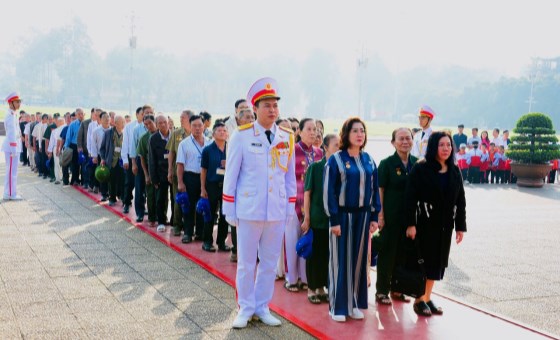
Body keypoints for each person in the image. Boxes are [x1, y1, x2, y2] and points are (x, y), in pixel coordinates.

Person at [223, 77, 296, 329]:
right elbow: (231, 175)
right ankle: (245, 307)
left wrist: (289, 207)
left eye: (275, 105)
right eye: (267, 105)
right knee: (245, 263)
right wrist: (229, 208)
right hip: (249, 209)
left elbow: (288, 178)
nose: (272, 110)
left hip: (275, 210)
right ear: (255, 108)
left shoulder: (286, 137)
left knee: (268, 262)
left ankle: (262, 306)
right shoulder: (242, 136)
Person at [324, 117, 380, 322]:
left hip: (363, 217)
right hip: (342, 216)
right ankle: (337, 306)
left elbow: (374, 190)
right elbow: (328, 192)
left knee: (358, 260)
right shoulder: (336, 160)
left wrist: (374, 216)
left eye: (362, 131)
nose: (359, 134)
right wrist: (334, 220)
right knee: (340, 261)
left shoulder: (369, 160)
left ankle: (354, 302)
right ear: (346, 134)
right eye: (355, 130)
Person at [405, 131, 466, 317]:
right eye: (441, 145)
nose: (446, 148)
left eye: (448, 145)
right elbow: (409, 198)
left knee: (438, 264)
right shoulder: (421, 168)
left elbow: (460, 200)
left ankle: (427, 297)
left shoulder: (454, 170)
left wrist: (460, 226)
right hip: (425, 224)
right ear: (433, 147)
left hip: (445, 226)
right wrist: (410, 224)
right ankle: (419, 299)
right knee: (424, 263)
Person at [375, 128, 418, 305]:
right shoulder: (386, 163)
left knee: (403, 255)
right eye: (401, 139)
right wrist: (381, 215)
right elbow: (380, 190)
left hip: (409, 219)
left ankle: (397, 288)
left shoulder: (417, 163)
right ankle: (382, 291)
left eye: (408, 138)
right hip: (391, 216)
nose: (405, 141)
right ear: (393, 142)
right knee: (387, 253)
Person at [283, 118, 323, 293]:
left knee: (308, 240)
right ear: (299, 131)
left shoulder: (319, 153)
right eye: (309, 129)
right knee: (292, 240)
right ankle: (292, 278)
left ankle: (306, 278)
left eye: (315, 129)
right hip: (292, 201)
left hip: (313, 203)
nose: (313, 132)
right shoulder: (291, 151)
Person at [301, 133, 339, 304]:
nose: (339, 148)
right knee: (315, 255)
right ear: (325, 147)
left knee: (328, 255)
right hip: (317, 218)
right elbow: (307, 194)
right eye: (336, 145)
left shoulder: (340, 168)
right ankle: (311, 288)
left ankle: (322, 287)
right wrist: (306, 217)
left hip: (334, 220)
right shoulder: (315, 168)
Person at [176, 115, 211, 243]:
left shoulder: (209, 142)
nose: (197, 128)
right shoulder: (184, 144)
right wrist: (180, 182)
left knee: (203, 206)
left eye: (199, 125)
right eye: (194, 126)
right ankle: (188, 233)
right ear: (189, 127)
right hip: (190, 177)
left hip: (206, 179)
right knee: (189, 207)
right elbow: (180, 164)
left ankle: (200, 233)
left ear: (204, 126)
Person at [200, 122, 231, 252]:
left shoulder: (231, 148)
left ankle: (221, 242)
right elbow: (203, 170)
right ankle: (207, 241)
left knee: (225, 215)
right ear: (213, 134)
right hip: (212, 185)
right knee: (210, 214)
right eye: (219, 130)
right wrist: (203, 188)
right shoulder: (207, 150)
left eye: (224, 130)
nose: (222, 132)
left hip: (227, 186)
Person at [167, 110, 194, 236]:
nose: (181, 120)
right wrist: (170, 170)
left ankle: (190, 226)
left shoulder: (197, 133)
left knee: (192, 199)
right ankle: (177, 225)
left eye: (183, 117)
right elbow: (171, 152)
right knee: (178, 199)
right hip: (178, 171)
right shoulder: (176, 133)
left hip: (193, 172)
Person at [148, 115, 172, 233]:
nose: (163, 125)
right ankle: (161, 221)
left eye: (165, 122)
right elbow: (151, 160)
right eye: (160, 123)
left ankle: (174, 222)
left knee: (175, 198)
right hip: (160, 173)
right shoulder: (154, 138)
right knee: (160, 199)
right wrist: (154, 178)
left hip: (173, 172)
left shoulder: (175, 136)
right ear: (156, 125)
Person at [121, 106, 145, 214]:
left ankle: (142, 206)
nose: (144, 116)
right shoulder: (129, 127)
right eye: (142, 114)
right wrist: (125, 160)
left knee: (142, 185)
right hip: (132, 158)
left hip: (143, 158)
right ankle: (126, 203)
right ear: (137, 115)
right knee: (129, 182)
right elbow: (125, 143)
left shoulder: (149, 126)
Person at [137, 114, 158, 226]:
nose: (148, 126)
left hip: (161, 170)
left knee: (162, 196)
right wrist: (146, 174)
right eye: (146, 125)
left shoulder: (162, 135)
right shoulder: (144, 138)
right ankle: (152, 218)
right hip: (150, 170)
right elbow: (142, 158)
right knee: (150, 195)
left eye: (150, 123)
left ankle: (161, 217)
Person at [100, 115, 125, 207]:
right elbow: (102, 148)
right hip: (112, 160)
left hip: (122, 160)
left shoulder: (125, 133)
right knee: (112, 181)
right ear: (115, 123)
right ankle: (112, 198)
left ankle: (122, 197)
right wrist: (103, 158)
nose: (123, 124)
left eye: (123, 122)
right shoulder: (108, 133)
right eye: (121, 122)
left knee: (122, 180)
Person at [131, 106, 150, 222]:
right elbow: (133, 147)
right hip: (139, 160)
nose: (148, 114)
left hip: (152, 161)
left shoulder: (156, 126)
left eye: (150, 112)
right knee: (139, 187)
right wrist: (133, 163)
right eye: (146, 113)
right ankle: (140, 212)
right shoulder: (137, 129)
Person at [3, 92, 23, 200]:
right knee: (11, 171)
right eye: (17, 102)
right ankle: (10, 193)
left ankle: (10, 192)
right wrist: (14, 149)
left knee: (13, 171)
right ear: (11, 103)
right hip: (12, 148)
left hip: (14, 147)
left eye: (19, 101)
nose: (19, 104)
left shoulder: (13, 114)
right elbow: (11, 134)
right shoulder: (10, 116)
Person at [90, 112, 111, 201]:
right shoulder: (96, 131)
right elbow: (93, 144)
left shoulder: (112, 130)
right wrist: (94, 156)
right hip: (100, 155)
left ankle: (111, 193)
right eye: (104, 118)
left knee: (111, 175)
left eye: (108, 117)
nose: (107, 119)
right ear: (100, 119)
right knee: (102, 175)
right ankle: (104, 194)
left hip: (110, 156)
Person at [64, 108, 85, 185]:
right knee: (75, 164)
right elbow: (68, 137)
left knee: (83, 164)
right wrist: (66, 147)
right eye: (79, 114)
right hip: (74, 145)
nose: (81, 115)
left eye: (82, 114)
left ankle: (83, 181)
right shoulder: (73, 124)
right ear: (76, 115)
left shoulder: (86, 123)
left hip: (84, 146)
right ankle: (75, 180)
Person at [77, 108, 94, 189]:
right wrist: (79, 147)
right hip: (85, 149)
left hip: (94, 151)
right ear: (91, 114)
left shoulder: (100, 122)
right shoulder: (85, 123)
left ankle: (92, 183)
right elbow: (79, 136)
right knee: (85, 166)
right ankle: (86, 182)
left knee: (92, 167)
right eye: (95, 113)